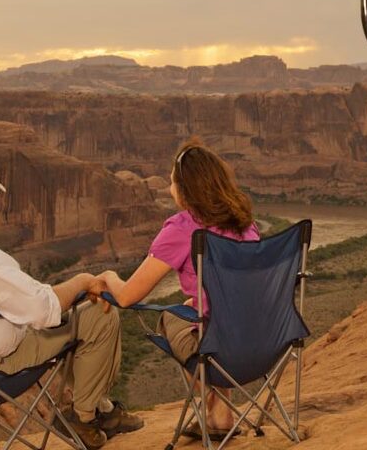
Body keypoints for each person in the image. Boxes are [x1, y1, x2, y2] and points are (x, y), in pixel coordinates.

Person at [99, 138, 260, 440]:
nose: (169, 187)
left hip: (219, 348)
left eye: (172, 181)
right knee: (202, 317)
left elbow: (128, 296)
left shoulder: (183, 228)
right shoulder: (244, 222)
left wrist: (108, 276)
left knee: (174, 317)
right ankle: (221, 416)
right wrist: (202, 299)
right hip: (264, 342)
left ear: (185, 188)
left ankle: (220, 412)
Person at [0, 160, 143, 449]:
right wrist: (81, 281)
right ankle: (84, 418)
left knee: (70, 320)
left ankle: (100, 408)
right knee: (97, 315)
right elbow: (42, 310)